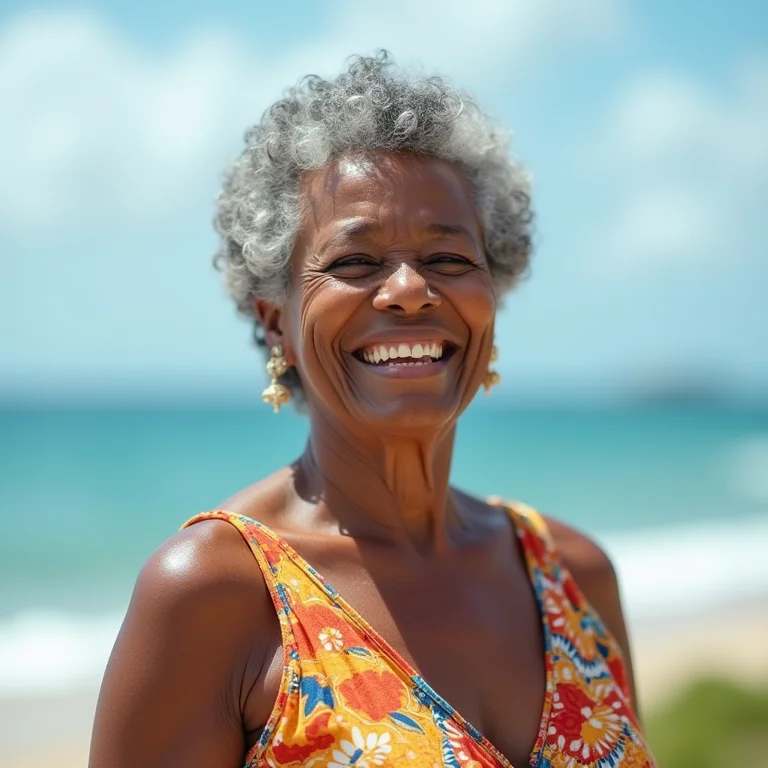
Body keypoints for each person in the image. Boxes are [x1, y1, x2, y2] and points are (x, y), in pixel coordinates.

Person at [89, 53, 656, 768]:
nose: (411, 289)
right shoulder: (215, 593)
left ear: (493, 295)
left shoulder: (575, 576)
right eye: (355, 263)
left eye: (450, 260)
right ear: (276, 323)